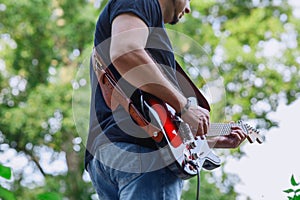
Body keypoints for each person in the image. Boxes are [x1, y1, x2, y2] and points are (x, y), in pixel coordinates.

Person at [85, 0, 247, 199]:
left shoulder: (139, 23)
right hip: (142, 155)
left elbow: (159, 116)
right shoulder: (142, 2)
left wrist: (210, 142)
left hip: (106, 157)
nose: (187, 8)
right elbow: (126, 52)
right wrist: (185, 107)